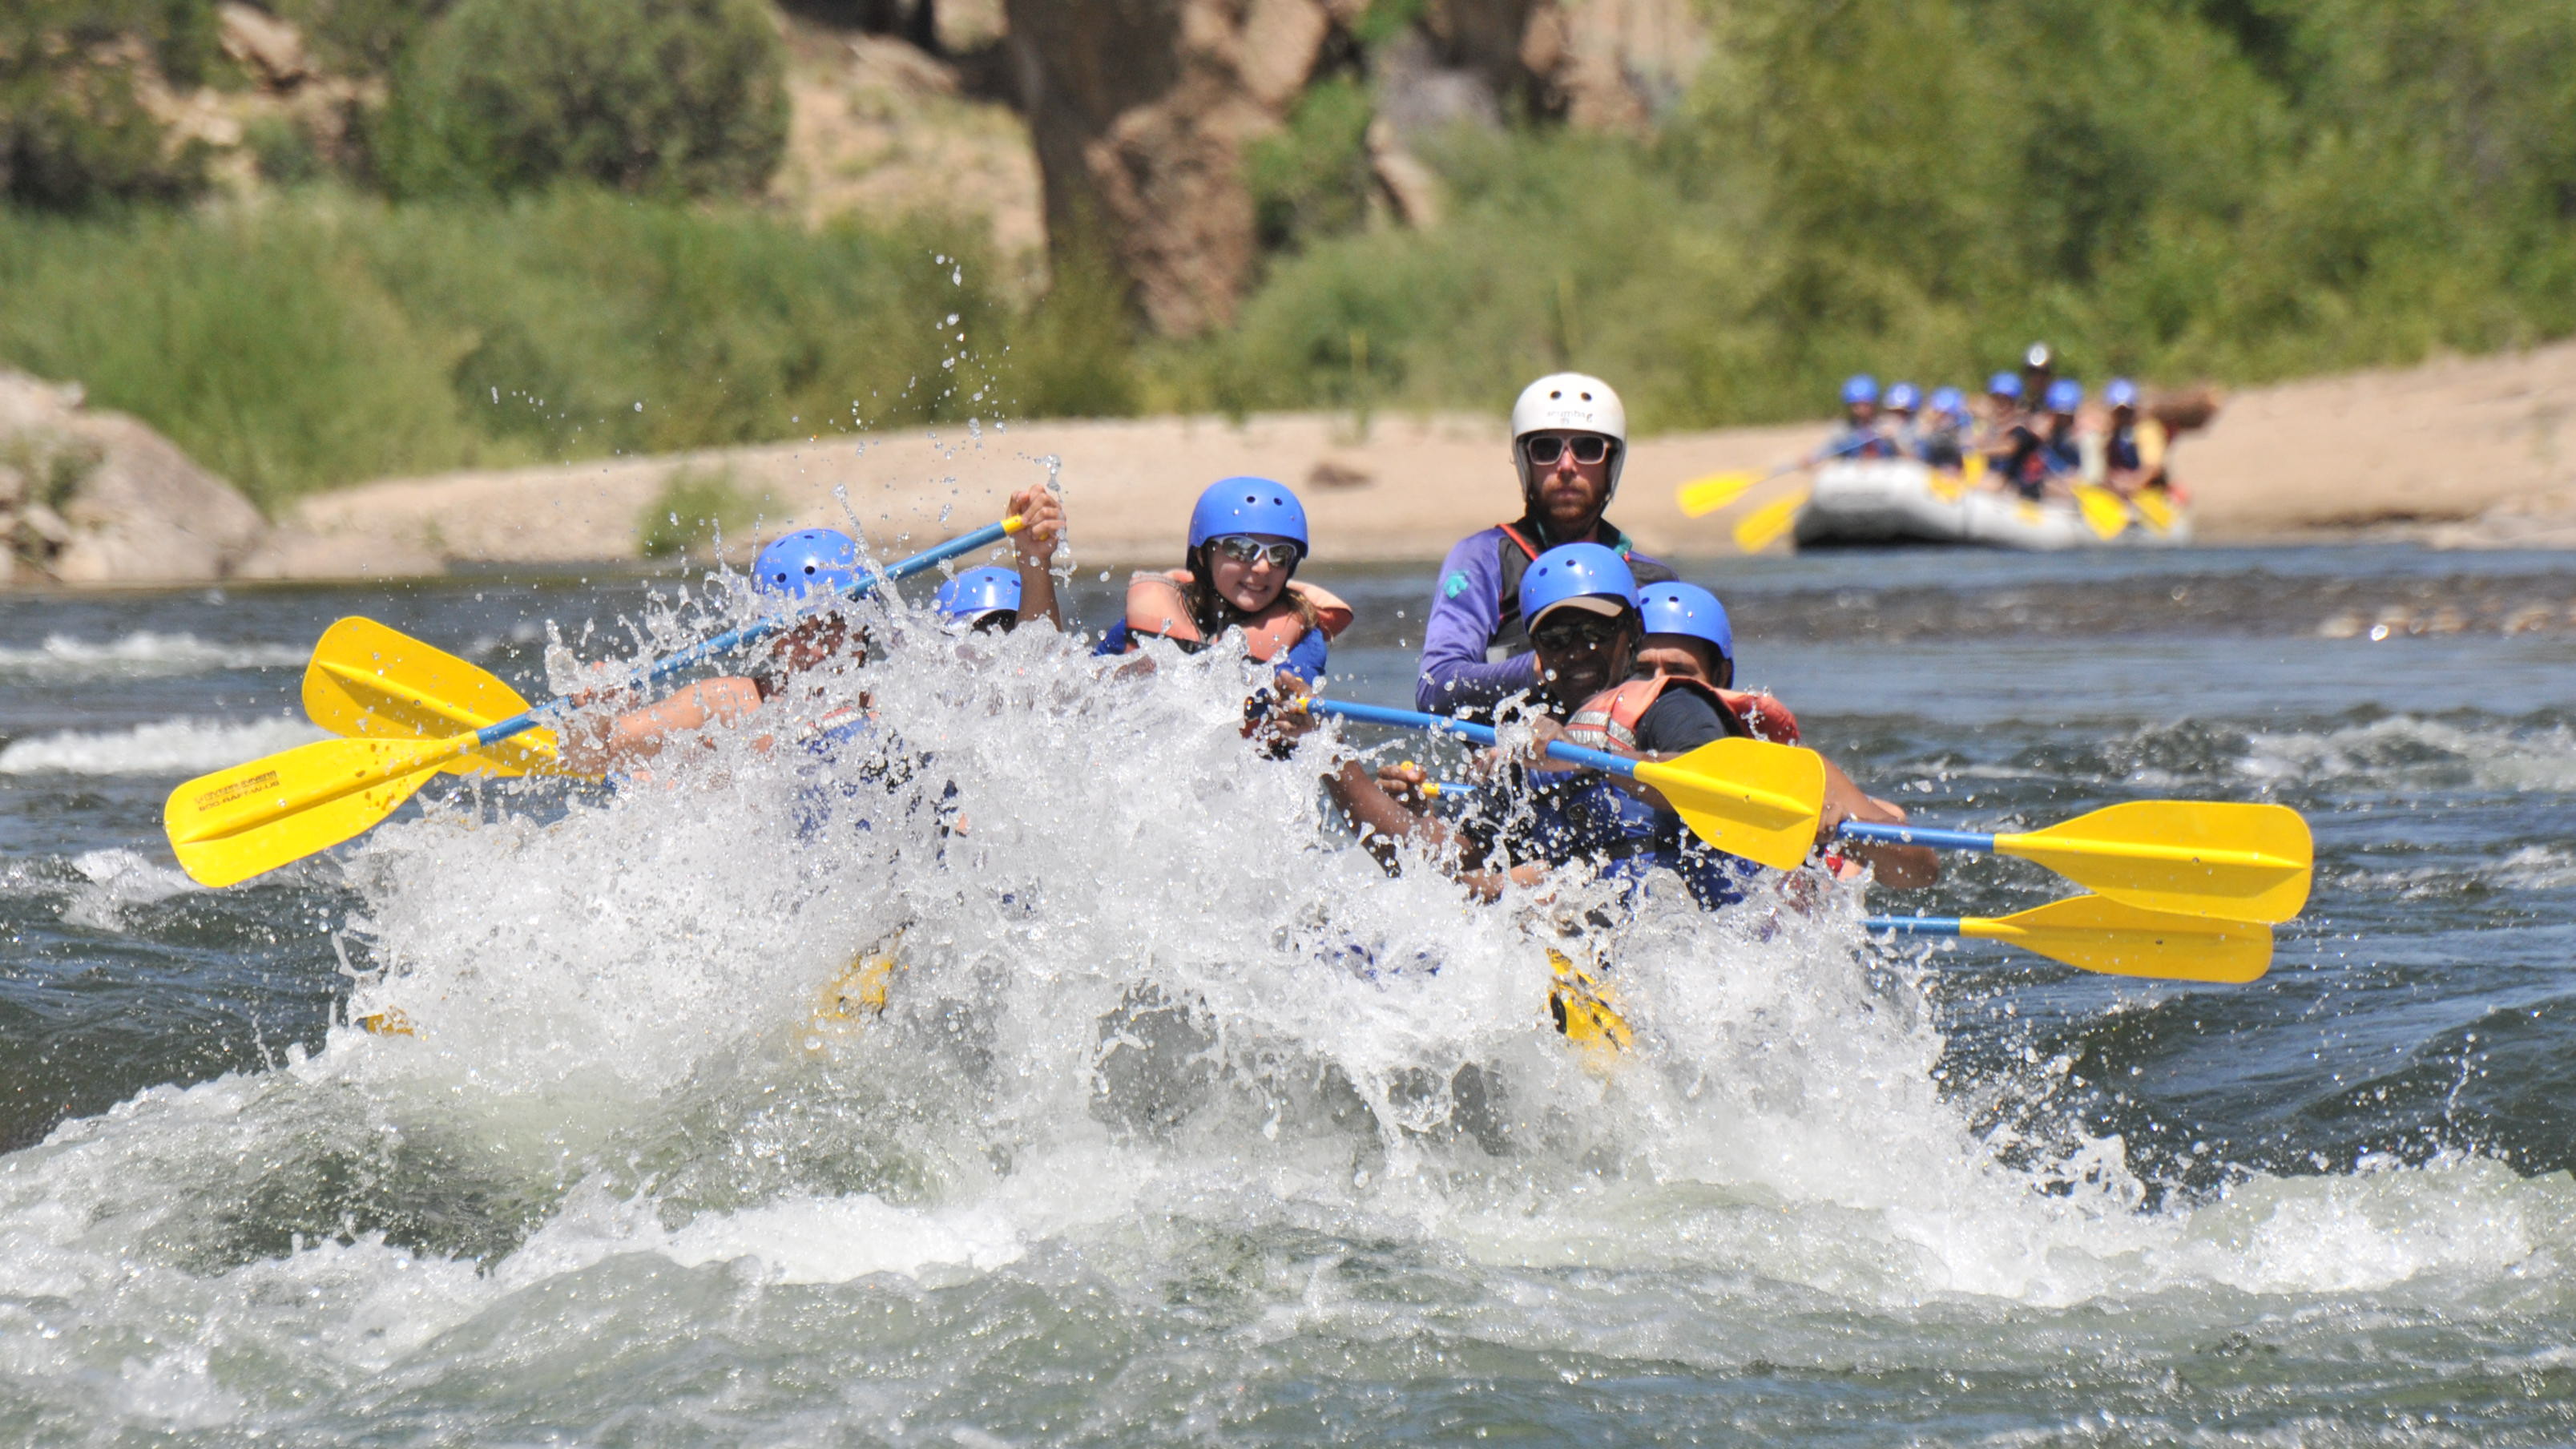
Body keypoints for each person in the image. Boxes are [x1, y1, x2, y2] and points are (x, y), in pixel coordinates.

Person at [1336, 546, 1934, 908]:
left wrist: (1588, 754)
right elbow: (1445, 862)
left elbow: (1708, 779)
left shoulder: (1673, 708)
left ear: (1628, 636)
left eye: (1596, 633)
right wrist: (1335, 766)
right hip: (1589, 933)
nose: (1579, 652)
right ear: (1536, 651)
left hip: (1692, 943)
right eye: (1558, 637)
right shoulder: (1528, 746)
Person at [1417, 373, 1679, 718]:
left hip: (1615, 765)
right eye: (1546, 449)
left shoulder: (1653, 581)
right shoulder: (1484, 559)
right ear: (1525, 461)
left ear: (1612, 462)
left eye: (1588, 448)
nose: (1567, 466)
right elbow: (1435, 687)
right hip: (1510, 765)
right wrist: (1550, 664)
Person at [562, 527, 873, 775]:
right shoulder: (724, 703)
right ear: (773, 637)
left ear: (862, 628)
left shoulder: (896, 704)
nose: (816, 650)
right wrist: (592, 714)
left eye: (833, 627)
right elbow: (594, 757)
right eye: (796, 631)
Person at [1095, 476, 1351, 686]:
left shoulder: (1304, 637)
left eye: (1280, 554)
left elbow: (1296, 689)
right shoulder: (1150, 622)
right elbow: (1071, 691)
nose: (1263, 567)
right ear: (1202, 555)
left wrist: (1295, 707)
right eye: (1241, 549)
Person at [2098, 377, 2176, 498]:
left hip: (2148, 492)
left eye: (2127, 411)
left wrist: (2133, 483)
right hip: (2118, 491)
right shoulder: (2111, 432)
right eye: (2118, 412)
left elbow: (2153, 467)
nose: (2123, 415)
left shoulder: (2147, 430)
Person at [1820, 374, 1901, 462]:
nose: (1861, 409)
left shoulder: (1888, 424)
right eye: (1856, 405)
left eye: (1865, 404)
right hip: (1853, 471)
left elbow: (1910, 459)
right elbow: (1828, 451)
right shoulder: (1843, 429)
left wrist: (1894, 440)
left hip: (1886, 469)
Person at [1917, 385, 1970, 470]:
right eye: (1939, 413)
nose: (1941, 417)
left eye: (1947, 414)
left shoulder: (1965, 425)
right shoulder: (1928, 429)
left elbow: (1967, 449)